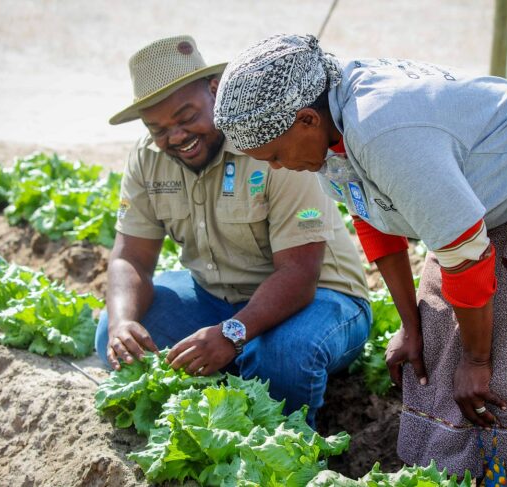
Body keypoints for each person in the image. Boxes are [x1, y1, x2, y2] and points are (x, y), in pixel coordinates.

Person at [213, 34, 507, 484]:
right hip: (496, 198)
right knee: (439, 338)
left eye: (274, 155)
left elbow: (464, 255)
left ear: (306, 119)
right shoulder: (330, 128)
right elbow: (373, 219)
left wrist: (478, 361)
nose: (278, 168)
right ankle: (465, 471)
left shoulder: (383, 128)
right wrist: (410, 325)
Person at [95, 35, 373, 427]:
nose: (175, 136)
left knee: (283, 358)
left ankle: (283, 416)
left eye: (186, 116)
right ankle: (237, 376)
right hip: (217, 300)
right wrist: (124, 323)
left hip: (320, 299)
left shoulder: (270, 140)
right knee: (115, 334)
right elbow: (130, 257)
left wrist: (231, 334)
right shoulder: (147, 157)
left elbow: (299, 273)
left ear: (214, 91)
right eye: (158, 128)